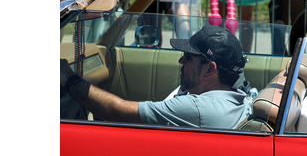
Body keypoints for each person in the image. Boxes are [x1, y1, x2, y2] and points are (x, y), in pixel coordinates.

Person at [60, 25, 250, 129]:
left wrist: (68, 78)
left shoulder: (198, 108)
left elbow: (116, 111)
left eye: (188, 58)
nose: (181, 61)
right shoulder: (241, 97)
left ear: (209, 70)